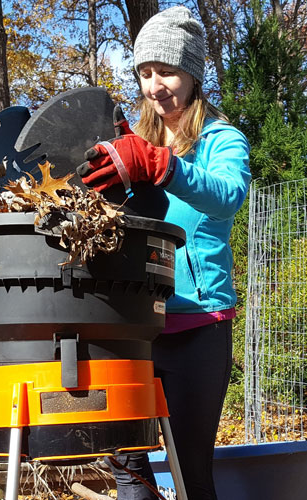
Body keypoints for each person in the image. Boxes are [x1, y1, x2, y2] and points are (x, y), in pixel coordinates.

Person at [76, 6, 251, 499]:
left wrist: (162, 165)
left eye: (167, 71)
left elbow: (226, 195)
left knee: (190, 471)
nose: (155, 85)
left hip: (198, 323)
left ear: (193, 74)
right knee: (125, 462)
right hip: (133, 324)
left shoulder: (222, 139)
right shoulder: (129, 143)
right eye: (145, 73)